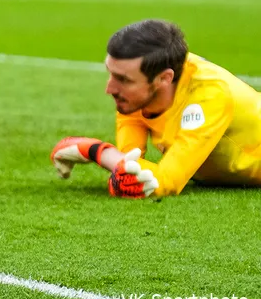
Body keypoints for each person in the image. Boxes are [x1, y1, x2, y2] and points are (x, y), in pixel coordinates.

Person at [51, 19, 261, 198]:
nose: (110, 88)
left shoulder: (209, 95)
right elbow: (130, 170)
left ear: (164, 79)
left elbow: (164, 181)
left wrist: (95, 151)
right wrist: (119, 166)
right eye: (111, 73)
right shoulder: (138, 95)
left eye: (123, 79)